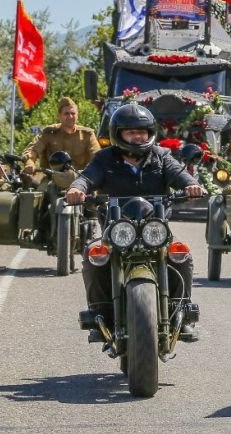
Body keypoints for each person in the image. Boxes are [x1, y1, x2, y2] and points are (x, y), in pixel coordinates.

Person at [65, 103, 205, 341]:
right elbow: (87, 178)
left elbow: (179, 174)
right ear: (118, 135)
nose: (138, 137)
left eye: (142, 132)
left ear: (150, 133)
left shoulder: (161, 156)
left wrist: (191, 185)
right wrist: (76, 189)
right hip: (116, 229)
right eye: (131, 132)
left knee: (180, 253)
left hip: (155, 229)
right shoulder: (104, 159)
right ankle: (100, 313)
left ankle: (180, 313)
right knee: (94, 254)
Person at [22, 97, 101, 180]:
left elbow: (97, 156)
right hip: (52, 180)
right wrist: (30, 163)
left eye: (73, 113)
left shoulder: (87, 135)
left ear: (77, 115)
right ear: (59, 116)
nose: (70, 116)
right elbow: (32, 151)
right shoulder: (48, 133)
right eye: (66, 114)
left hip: (81, 180)